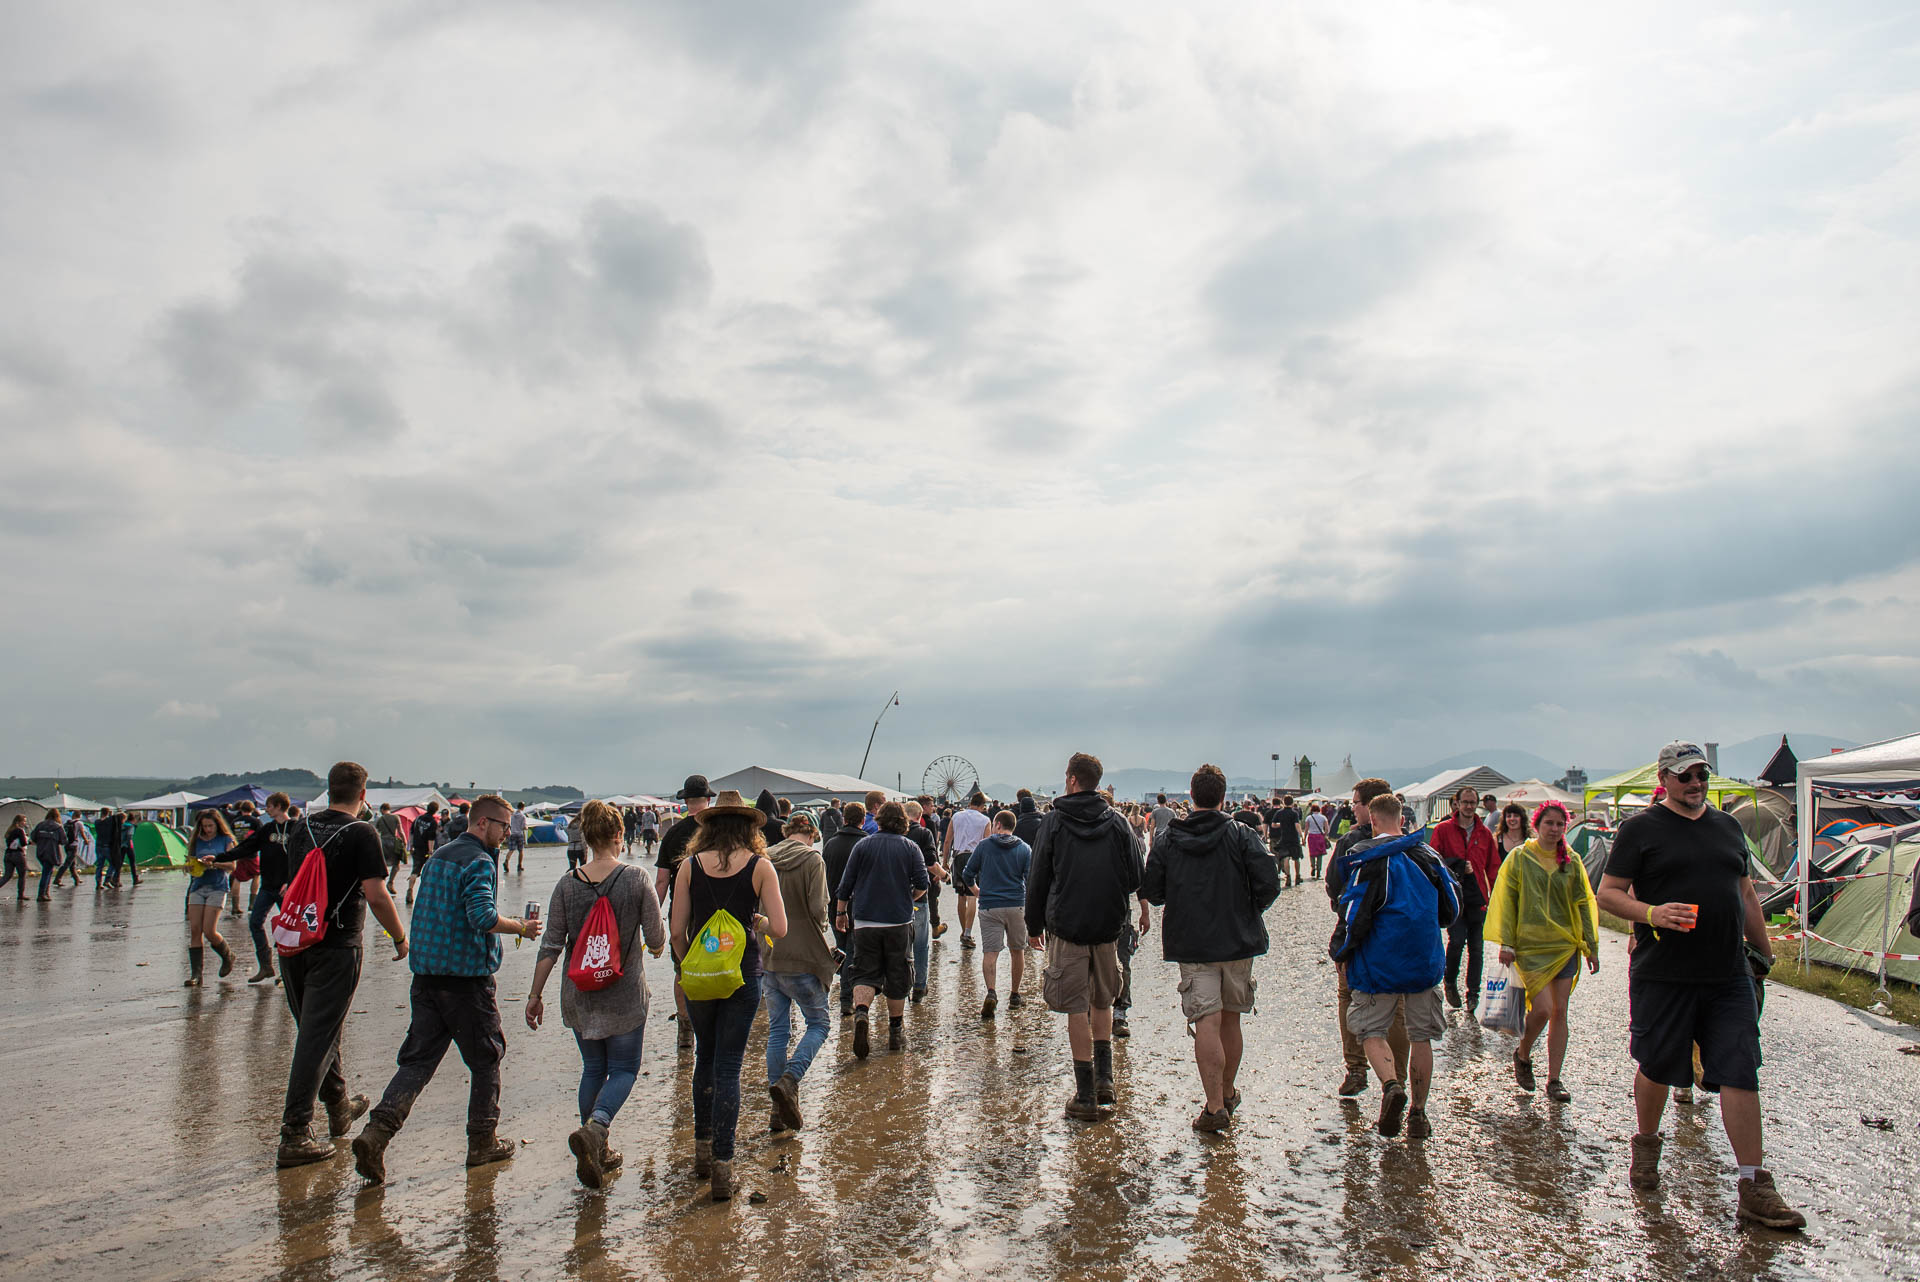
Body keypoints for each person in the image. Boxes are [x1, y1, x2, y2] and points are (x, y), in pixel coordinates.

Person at [1596, 741, 1804, 1230]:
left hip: (1727, 973)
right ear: (1664, 780)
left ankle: (1754, 1186)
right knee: (1657, 1065)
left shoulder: (1727, 826)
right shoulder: (1639, 829)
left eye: (1701, 775)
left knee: (1740, 1069)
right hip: (1664, 973)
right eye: (1685, 775)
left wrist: (1765, 951)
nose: (1695, 783)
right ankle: (1646, 1146)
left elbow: (1745, 890)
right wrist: (1652, 914)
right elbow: (1607, 893)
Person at [351, 795, 537, 1183]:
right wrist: (520, 926)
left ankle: (376, 1133)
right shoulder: (479, 860)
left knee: (417, 1061)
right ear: (483, 823)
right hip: (465, 979)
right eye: (503, 827)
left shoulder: (440, 857)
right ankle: (482, 1141)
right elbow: (481, 916)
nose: (508, 834)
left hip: (427, 975)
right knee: (487, 1057)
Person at [523, 799, 665, 1188]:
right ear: (620, 835)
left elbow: (550, 944)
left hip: (580, 994)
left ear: (585, 837)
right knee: (623, 1070)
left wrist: (534, 996)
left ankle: (597, 1149)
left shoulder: (567, 884)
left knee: (592, 1068)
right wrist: (655, 945)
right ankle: (597, 1128)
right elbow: (655, 937)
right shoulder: (636, 878)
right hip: (624, 995)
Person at [275, 761, 408, 1169]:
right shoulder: (362, 832)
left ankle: (337, 1105)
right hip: (337, 944)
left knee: (317, 1028)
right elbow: (376, 893)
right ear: (363, 795)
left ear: (327, 790)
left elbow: (288, 882)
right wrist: (400, 937)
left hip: (295, 939)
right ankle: (295, 1132)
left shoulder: (303, 827)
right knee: (318, 1034)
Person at [1141, 764, 1280, 1131]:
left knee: (1206, 1020)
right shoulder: (1241, 834)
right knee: (1232, 1018)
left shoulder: (1169, 839)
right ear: (1223, 798)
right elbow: (1269, 880)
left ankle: (1215, 1106)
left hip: (1192, 941)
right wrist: (1249, 910)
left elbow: (1152, 891)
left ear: (1191, 797)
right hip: (1237, 940)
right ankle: (1228, 1091)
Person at [670, 790, 786, 1201]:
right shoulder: (761, 867)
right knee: (729, 1066)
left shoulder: (688, 866)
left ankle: (701, 1152)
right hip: (742, 976)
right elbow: (781, 928)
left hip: (700, 980)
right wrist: (759, 921)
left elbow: (676, 932)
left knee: (705, 1056)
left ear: (710, 827)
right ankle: (723, 1166)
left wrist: (692, 965)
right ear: (750, 828)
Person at [1026, 752, 1143, 1121]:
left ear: (1073, 780)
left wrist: (1033, 926)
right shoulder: (1119, 822)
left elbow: (1039, 878)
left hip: (1067, 926)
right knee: (1103, 999)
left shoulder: (1055, 821)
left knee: (1076, 1006)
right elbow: (1137, 876)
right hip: (1109, 926)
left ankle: (1085, 1092)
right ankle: (1106, 1078)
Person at [1335, 792, 1457, 1141]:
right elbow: (1452, 907)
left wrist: (1341, 952)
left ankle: (1391, 1085)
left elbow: (1354, 914)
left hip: (1379, 964)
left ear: (1372, 820)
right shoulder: (1428, 856)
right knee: (1422, 1038)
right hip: (1424, 962)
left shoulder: (1367, 859)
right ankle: (1418, 1114)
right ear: (1402, 819)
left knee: (1370, 1031)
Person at [1485, 801, 1599, 1103]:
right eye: (1549, 823)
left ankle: (1554, 1079)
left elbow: (1584, 903)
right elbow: (1507, 900)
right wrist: (1506, 943)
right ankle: (1523, 1054)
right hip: (1530, 947)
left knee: (1561, 1012)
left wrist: (1591, 945)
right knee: (1544, 1009)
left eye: (1560, 825)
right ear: (1537, 825)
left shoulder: (1571, 860)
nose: (1555, 829)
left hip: (1564, 946)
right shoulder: (1521, 857)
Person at [1327, 778, 1408, 1097]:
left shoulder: (1351, 842)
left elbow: (1334, 885)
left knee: (1348, 998)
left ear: (1370, 808)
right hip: (1397, 938)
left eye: (1356, 803)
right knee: (1397, 1008)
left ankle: (1356, 1069)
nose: (1352, 808)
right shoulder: (1408, 842)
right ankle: (1397, 1077)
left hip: (1355, 934)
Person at [836, 801, 929, 1058]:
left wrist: (840, 913)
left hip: (865, 921)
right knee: (898, 975)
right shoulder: (910, 847)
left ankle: (862, 1012)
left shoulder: (862, 845)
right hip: (898, 921)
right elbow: (923, 883)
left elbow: (846, 884)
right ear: (903, 822)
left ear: (878, 820)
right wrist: (909, 897)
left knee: (864, 972)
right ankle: (895, 1030)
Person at [762, 811, 834, 1135]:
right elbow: (819, 909)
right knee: (819, 1023)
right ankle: (791, 1080)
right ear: (812, 834)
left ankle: (778, 1111)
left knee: (778, 1030)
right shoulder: (812, 861)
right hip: (803, 956)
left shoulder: (764, 858)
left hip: (770, 955)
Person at [1431, 786, 1500, 1012]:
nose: (1469, 806)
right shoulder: (1443, 830)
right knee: (1457, 941)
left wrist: (1492, 896)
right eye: (1465, 802)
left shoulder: (1484, 833)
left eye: (1473, 802)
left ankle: (1473, 993)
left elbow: (1493, 866)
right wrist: (1457, 866)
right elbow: (1433, 860)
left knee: (1477, 947)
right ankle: (1450, 981)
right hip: (1454, 896)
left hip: (1478, 896)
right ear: (1457, 804)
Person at [657, 775, 714, 1049]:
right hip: (715, 910)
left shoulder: (673, 833)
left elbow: (660, 881)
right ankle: (713, 1022)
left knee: (682, 969)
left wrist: (654, 915)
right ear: (709, 799)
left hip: (679, 909)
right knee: (718, 961)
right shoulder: (716, 831)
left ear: (686, 801)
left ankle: (685, 1026)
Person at [963, 809, 1033, 1019]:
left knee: (990, 953)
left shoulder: (984, 846)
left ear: (998, 824)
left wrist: (976, 891)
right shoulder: (1024, 848)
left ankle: (991, 991)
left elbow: (967, 873)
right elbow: (1030, 880)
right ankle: (1014, 994)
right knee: (1017, 951)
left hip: (989, 905)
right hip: (1015, 905)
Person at [227, 792, 298, 984]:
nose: (266, 809)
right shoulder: (267, 829)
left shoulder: (296, 828)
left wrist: (291, 880)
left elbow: (303, 857)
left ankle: (289, 972)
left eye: (269, 806)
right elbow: (247, 847)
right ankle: (266, 966)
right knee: (255, 922)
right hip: (267, 887)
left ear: (277, 806)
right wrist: (220, 857)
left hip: (287, 889)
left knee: (289, 930)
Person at [182, 810, 240, 987]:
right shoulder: (196, 840)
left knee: (209, 930)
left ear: (217, 825)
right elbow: (190, 860)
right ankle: (196, 975)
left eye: (210, 826)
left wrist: (213, 863)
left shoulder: (226, 840)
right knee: (195, 929)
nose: (207, 829)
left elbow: (232, 866)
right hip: (198, 886)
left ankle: (227, 955)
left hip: (217, 887)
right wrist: (190, 866)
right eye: (204, 826)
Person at [821, 802, 867, 1017]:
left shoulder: (830, 844)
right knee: (853, 953)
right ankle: (847, 998)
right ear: (863, 820)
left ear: (844, 819)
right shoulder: (865, 843)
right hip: (857, 906)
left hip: (833, 904)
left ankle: (838, 984)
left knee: (842, 948)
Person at [941, 792, 990, 948]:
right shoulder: (985, 820)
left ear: (970, 803)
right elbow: (987, 844)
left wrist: (944, 861)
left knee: (961, 896)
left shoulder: (956, 817)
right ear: (982, 806)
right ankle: (968, 932)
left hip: (959, 856)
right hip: (975, 857)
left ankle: (963, 931)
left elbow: (947, 840)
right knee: (972, 895)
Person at [405, 801, 440, 906]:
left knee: (415, 870)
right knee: (430, 871)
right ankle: (429, 893)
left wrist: (410, 846)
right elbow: (431, 838)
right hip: (425, 849)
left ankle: (410, 889)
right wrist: (430, 851)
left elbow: (411, 833)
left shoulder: (418, 819)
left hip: (416, 848)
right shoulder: (433, 822)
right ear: (435, 810)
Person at [1269, 794, 1304, 888]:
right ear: (1292, 802)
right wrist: (1301, 835)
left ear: (1283, 802)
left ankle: (1288, 877)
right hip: (1294, 838)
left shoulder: (1279, 813)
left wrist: (1281, 825)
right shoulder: (1294, 813)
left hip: (1284, 837)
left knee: (1285, 858)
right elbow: (1297, 825)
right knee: (1296, 858)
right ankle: (1297, 876)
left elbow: (1273, 825)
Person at [30, 810, 64, 901]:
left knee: (47, 871)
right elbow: (63, 840)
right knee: (46, 873)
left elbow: (33, 837)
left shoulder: (40, 825)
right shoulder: (58, 827)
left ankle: (45, 893)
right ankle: (42, 894)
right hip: (51, 852)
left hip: (40, 852)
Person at [375, 802, 405, 891]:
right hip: (393, 842)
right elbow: (400, 831)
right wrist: (404, 841)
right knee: (396, 864)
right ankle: (390, 882)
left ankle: (381, 884)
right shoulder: (396, 817)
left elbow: (377, 832)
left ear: (382, 809)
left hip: (383, 842)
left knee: (382, 863)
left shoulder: (380, 819)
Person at [3, 815, 29, 902]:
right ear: (18, 821)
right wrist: (28, 840)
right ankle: (20, 895)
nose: (25, 823)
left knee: (7, 876)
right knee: (22, 875)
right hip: (18, 854)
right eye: (24, 821)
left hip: (8, 854)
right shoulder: (20, 830)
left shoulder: (9, 830)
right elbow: (24, 843)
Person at [1305, 802, 1331, 879]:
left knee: (1312, 853)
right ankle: (1318, 872)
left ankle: (1313, 867)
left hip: (1311, 836)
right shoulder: (1323, 817)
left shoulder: (1309, 818)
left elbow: (1306, 829)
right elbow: (1327, 829)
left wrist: (1304, 839)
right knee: (1320, 855)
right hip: (1320, 836)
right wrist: (1324, 835)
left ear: (1312, 810)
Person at [506, 802, 527, 873]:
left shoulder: (512, 815)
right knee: (520, 850)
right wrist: (526, 827)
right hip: (519, 834)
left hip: (512, 833)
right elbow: (523, 827)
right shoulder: (522, 816)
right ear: (523, 807)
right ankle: (519, 865)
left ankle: (506, 861)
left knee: (511, 849)